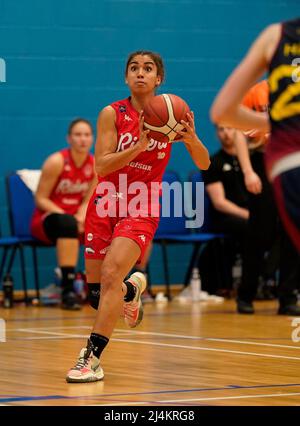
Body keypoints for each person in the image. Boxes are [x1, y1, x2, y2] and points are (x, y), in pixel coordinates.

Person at [66, 50, 210, 383]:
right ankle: (132, 291)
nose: (140, 73)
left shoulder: (175, 114)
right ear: (126, 77)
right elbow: (101, 165)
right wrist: (138, 146)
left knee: (112, 271)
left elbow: (204, 164)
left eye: (148, 69)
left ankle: (91, 359)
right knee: (99, 295)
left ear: (159, 78)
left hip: (142, 201)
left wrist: (191, 138)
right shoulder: (111, 114)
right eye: (134, 68)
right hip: (106, 201)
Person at [211, 17, 300, 314]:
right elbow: (233, 127)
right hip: (265, 161)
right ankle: (246, 293)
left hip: (287, 160)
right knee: (259, 232)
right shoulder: (258, 90)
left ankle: (288, 297)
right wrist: (248, 170)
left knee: (291, 237)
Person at [31, 119, 96, 310]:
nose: (82, 139)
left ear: (92, 139)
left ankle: (98, 288)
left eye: (86, 135)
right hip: (48, 218)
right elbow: (41, 199)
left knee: (109, 225)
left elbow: (88, 201)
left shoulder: (95, 164)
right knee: (66, 223)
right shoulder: (56, 161)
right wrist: (70, 217)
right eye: (77, 135)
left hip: (77, 219)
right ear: (69, 138)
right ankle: (67, 290)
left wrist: (81, 217)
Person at [201, 126, 249, 295]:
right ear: (217, 134)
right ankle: (247, 284)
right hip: (225, 218)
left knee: (280, 227)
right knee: (250, 227)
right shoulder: (213, 163)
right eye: (222, 130)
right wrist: (248, 215)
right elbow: (219, 203)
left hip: (249, 215)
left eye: (230, 129)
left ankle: (268, 280)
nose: (226, 133)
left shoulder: (249, 162)